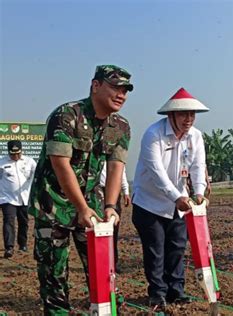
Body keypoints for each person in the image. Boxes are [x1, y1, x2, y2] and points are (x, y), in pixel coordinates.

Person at [28, 65, 133, 314]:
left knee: (102, 271)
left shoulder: (120, 126)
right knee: (54, 275)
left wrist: (109, 206)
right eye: (115, 87)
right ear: (95, 86)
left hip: (92, 207)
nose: (121, 94)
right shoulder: (66, 115)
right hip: (53, 205)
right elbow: (60, 164)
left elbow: (116, 167)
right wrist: (81, 207)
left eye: (125, 90)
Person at [132, 88, 209, 310]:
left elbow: (197, 167)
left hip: (179, 203)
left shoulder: (195, 136)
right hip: (149, 203)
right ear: (171, 115)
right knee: (156, 249)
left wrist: (199, 193)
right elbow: (156, 173)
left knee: (177, 247)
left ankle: (177, 290)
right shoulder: (153, 135)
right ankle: (157, 293)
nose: (189, 119)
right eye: (184, 114)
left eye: (192, 115)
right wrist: (177, 197)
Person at [0, 140, 36, 258]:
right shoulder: (2, 163)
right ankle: (9, 247)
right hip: (7, 198)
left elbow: (36, 177)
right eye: (13, 154)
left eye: (18, 153)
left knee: (23, 221)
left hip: (24, 197)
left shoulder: (30, 162)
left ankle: (23, 244)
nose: (15, 156)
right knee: (8, 220)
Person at [97, 162, 131, 272]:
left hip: (113, 193)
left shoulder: (115, 153)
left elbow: (121, 171)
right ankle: (100, 263)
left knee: (113, 229)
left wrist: (126, 191)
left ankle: (113, 263)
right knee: (98, 229)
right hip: (97, 191)